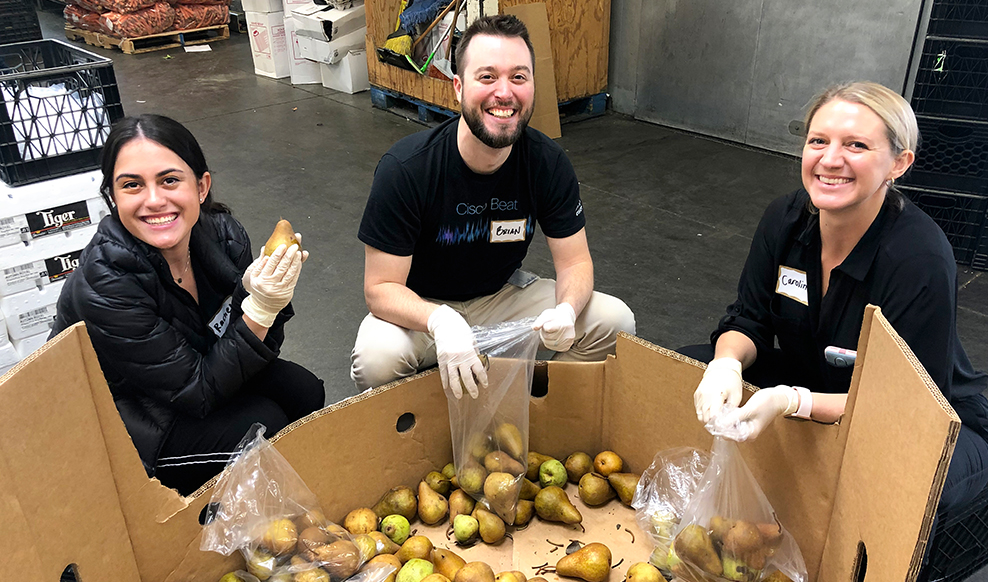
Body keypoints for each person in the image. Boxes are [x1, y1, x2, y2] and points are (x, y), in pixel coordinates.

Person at [681, 82, 988, 526]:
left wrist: (795, 402)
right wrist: (724, 366)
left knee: (903, 478)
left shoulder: (917, 258)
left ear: (898, 164)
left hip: (931, 422)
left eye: (856, 145)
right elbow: (747, 318)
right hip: (812, 377)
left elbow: (903, 406)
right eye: (818, 141)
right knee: (688, 367)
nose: (830, 159)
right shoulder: (785, 220)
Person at [351, 14, 636, 395]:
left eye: (518, 77)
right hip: (423, 308)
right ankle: (431, 423)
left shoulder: (547, 163)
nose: (505, 93)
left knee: (614, 320)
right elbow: (380, 288)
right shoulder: (407, 169)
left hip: (501, 297)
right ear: (458, 87)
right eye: (487, 77)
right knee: (377, 359)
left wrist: (566, 309)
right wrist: (440, 321)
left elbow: (575, 262)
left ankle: (532, 412)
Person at [50, 114, 325, 495]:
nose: (154, 200)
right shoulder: (106, 281)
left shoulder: (224, 236)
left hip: (188, 375)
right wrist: (259, 309)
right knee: (263, 424)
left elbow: (256, 349)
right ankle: (215, 520)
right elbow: (197, 392)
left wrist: (264, 299)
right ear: (113, 198)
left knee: (304, 391)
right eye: (132, 185)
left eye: (169, 180)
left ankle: (282, 497)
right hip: (128, 418)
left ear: (201, 186)